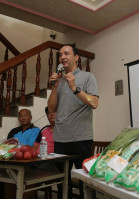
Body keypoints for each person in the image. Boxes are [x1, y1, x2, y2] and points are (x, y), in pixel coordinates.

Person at [48, 43, 99, 199]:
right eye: (60, 54)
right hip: (60, 137)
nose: (62, 57)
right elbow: (51, 108)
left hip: (80, 138)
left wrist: (75, 88)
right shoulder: (60, 80)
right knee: (62, 182)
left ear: (76, 57)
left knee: (86, 181)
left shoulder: (88, 77)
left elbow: (94, 102)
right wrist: (56, 86)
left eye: (66, 53)